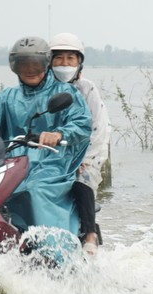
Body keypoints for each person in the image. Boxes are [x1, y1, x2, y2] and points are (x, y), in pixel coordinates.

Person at [0, 36, 92, 234]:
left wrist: (59, 134)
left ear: (45, 64)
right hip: (9, 165)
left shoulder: (66, 92)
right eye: (22, 64)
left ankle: (54, 245)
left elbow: (82, 124)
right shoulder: (6, 97)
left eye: (35, 64)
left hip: (52, 164)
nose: (30, 69)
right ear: (14, 67)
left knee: (34, 189)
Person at [49, 32, 111, 255]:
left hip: (84, 157)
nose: (64, 64)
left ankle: (90, 234)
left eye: (70, 59)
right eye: (59, 58)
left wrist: (83, 159)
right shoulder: (44, 89)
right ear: (49, 62)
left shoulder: (87, 89)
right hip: (49, 156)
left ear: (79, 63)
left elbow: (99, 128)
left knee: (80, 182)